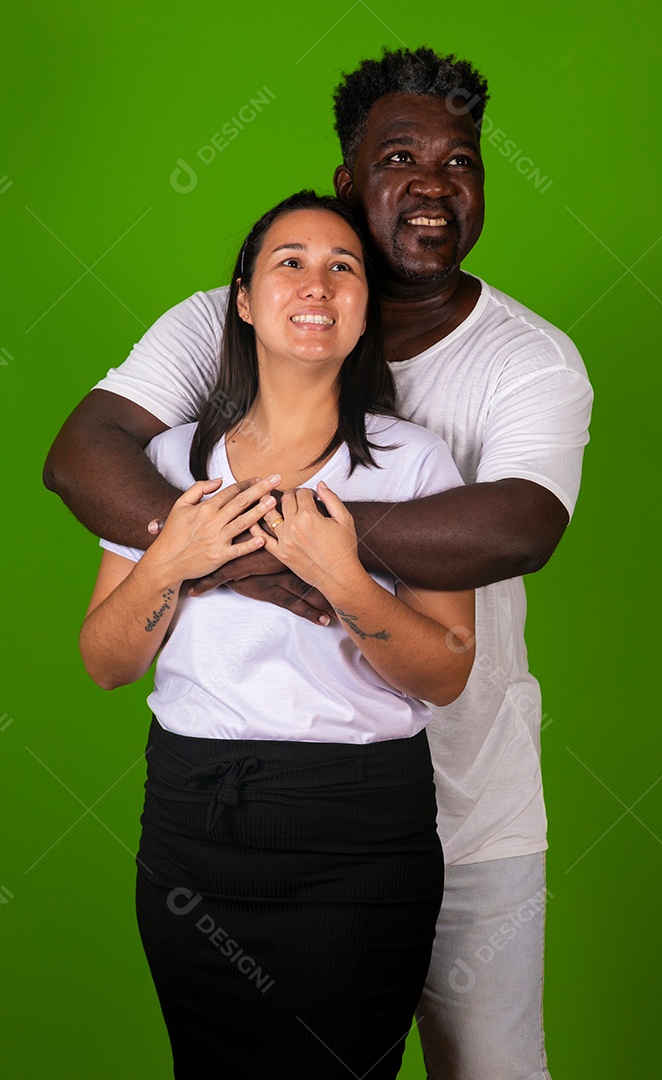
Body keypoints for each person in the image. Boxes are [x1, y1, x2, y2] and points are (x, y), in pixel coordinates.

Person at [46, 48, 593, 1080]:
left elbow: (520, 527)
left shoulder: (522, 364)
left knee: (491, 1069)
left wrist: (318, 553)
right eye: (400, 159)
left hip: (458, 805)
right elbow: (81, 458)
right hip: (212, 815)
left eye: (460, 163)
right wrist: (214, 549)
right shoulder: (207, 346)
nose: (433, 186)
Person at [79, 190, 476, 1079]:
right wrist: (169, 559)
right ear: (245, 300)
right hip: (194, 825)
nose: (318, 283)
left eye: (344, 267)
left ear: (365, 307)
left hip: (361, 838)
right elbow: (106, 662)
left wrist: (340, 575)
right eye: (289, 262)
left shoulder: (416, 463)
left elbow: (446, 673)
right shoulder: (167, 464)